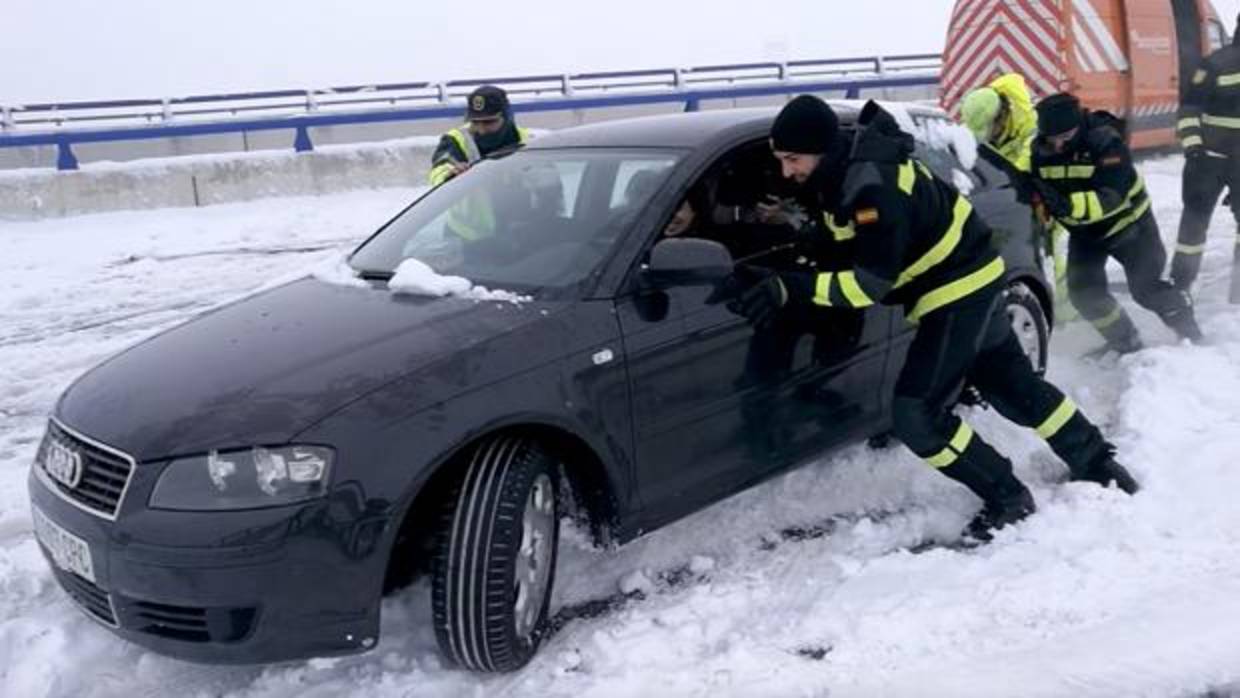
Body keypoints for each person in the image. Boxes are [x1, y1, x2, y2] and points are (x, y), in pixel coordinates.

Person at [719, 95, 1139, 541]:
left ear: (820, 148)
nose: (787, 171)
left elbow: (868, 284)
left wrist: (789, 287)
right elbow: (841, 240)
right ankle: (1096, 461)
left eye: (793, 159)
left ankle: (1008, 496)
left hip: (956, 292)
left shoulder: (872, 186)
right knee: (1013, 388)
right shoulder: (843, 173)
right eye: (781, 161)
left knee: (917, 415)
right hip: (972, 280)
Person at [1030, 93, 1203, 352]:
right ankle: (1125, 342)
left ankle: (1191, 336)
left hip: (1130, 228)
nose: (1057, 146)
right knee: (1084, 295)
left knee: (1146, 290)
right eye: (1051, 139)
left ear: (1078, 127)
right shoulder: (1041, 151)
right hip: (1085, 234)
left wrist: (1066, 206)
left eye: (1065, 138)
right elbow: (1041, 189)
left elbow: (1112, 197)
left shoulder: (1106, 142)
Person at [962, 74, 1073, 321]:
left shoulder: (1032, 130)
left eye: (990, 129)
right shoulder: (983, 114)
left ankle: (1067, 315)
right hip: (1019, 198)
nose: (988, 135)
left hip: (1043, 196)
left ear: (1002, 115)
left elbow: (1021, 172)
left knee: (1050, 255)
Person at [1173, 13, 1240, 303]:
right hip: (1209, 160)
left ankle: (1181, 286)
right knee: (1193, 224)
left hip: (1208, 159)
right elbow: (1189, 110)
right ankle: (1185, 286)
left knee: (1193, 224)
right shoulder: (1216, 63)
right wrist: (1194, 148)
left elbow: (1188, 109)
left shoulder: (1214, 62)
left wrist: (1195, 149)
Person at [427, 85, 530, 187]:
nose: (481, 130)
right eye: (475, 122)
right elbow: (439, 169)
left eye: (488, 122)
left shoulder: (527, 139)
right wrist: (449, 175)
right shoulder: (455, 139)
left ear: (506, 117)